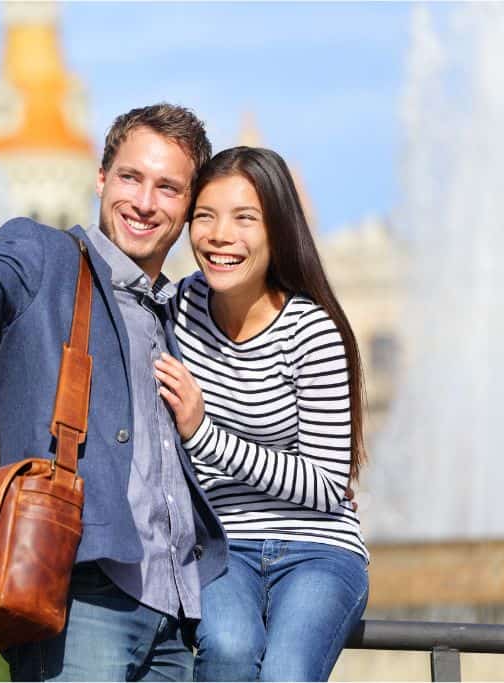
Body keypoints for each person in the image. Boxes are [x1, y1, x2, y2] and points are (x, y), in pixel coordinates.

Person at [0, 103, 227, 681]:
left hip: (176, 614)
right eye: (131, 178)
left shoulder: (179, 308)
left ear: (187, 207)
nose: (145, 202)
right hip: (77, 594)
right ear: (100, 178)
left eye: (168, 188)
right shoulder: (42, 256)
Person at [154, 146, 369, 681]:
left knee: (287, 672)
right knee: (228, 647)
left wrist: (203, 433)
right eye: (205, 216)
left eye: (245, 218)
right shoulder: (174, 312)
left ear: (279, 230)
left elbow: (325, 486)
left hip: (318, 549)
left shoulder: (311, 331)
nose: (220, 235)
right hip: (222, 548)